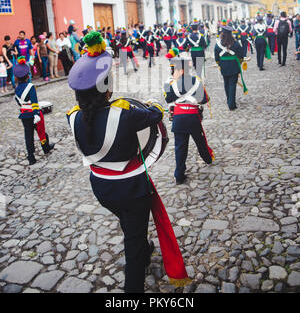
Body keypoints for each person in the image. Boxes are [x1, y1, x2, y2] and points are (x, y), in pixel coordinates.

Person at [66, 30, 190, 292]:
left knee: (130, 225)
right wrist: (152, 104)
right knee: (132, 248)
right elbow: (155, 115)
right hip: (131, 189)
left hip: (101, 188)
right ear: (106, 87)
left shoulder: (72, 116)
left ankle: (144, 248)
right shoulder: (124, 112)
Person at [163, 54, 214, 185]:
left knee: (180, 147)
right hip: (193, 117)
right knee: (200, 141)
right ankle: (208, 159)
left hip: (179, 118)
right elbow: (204, 100)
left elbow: (168, 99)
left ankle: (179, 175)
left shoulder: (171, 84)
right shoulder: (196, 81)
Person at [14, 56, 55, 165]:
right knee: (41, 132)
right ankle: (45, 147)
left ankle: (31, 156)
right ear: (28, 76)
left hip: (24, 115)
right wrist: (36, 114)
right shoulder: (31, 87)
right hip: (34, 114)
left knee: (28, 136)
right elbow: (35, 102)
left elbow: (19, 103)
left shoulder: (16, 89)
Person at [214, 25, 245, 110]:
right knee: (232, 85)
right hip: (234, 66)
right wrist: (239, 63)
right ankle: (231, 104)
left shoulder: (217, 45)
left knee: (226, 84)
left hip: (224, 66)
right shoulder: (235, 43)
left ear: (222, 34)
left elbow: (216, 58)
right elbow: (241, 56)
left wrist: (220, 64)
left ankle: (229, 101)